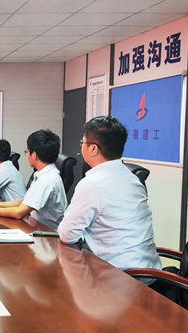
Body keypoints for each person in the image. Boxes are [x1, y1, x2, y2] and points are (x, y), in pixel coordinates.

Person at [57, 116, 161, 271]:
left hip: (117, 275)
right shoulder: (133, 179)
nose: (81, 147)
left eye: (83, 143)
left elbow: (67, 235)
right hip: (149, 271)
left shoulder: (92, 184)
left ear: (93, 149)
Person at [0, 130, 67, 230]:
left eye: (27, 152)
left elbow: (18, 213)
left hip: (47, 233)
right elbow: (22, 201)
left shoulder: (46, 180)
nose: (27, 155)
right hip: (37, 227)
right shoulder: (43, 174)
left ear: (34, 155)